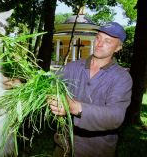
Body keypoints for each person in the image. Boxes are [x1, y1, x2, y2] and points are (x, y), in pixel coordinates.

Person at [48, 22, 133, 157]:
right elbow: (50, 87)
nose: (99, 44)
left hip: (96, 151)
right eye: (98, 38)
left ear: (118, 48)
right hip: (63, 147)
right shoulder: (72, 67)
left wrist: (74, 107)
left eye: (107, 41)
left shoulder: (122, 78)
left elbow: (116, 116)